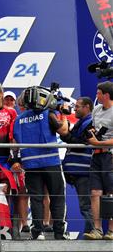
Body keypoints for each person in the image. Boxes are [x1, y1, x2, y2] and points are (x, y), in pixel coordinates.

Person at [12, 85, 69, 240]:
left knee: (36, 199)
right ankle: (59, 232)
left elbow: (14, 143)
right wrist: (63, 115)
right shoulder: (48, 114)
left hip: (30, 165)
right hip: (50, 162)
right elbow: (63, 131)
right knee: (57, 197)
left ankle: (37, 232)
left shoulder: (19, 119)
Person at [61, 97, 95, 235]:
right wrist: (65, 133)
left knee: (86, 205)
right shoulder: (82, 122)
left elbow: (82, 142)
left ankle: (92, 232)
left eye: (78, 106)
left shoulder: (90, 121)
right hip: (77, 170)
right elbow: (72, 139)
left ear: (87, 107)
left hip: (84, 170)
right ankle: (91, 231)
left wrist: (65, 134)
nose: (75, 109)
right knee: (85, 205)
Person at [84, 81, 113, 240]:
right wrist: (92, 135)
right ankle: (97, 229)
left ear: (106, 95)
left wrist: (98, 143)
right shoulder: (96, 109)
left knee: (111, 192)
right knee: (95, 192)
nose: (96, 96)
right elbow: (93, 129)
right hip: (96, 155)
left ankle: (111, 230)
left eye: (98, 93)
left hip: (110, 155)